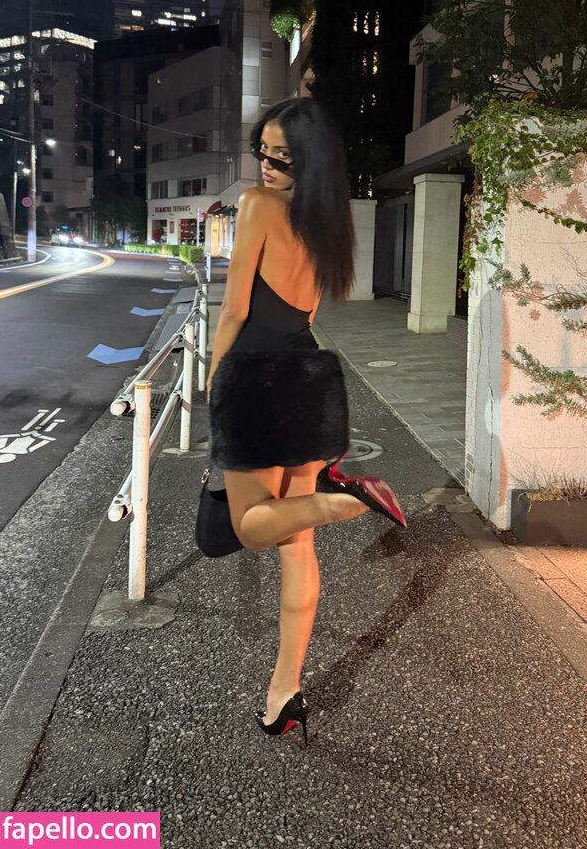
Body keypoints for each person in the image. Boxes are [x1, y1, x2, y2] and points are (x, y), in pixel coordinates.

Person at [207, 98, 406, 745]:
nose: (266, 166)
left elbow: (235, 310)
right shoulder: (328, 222)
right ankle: (284, 690)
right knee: (296, 547)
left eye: (282, 157)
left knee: (252, 527)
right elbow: (308, 313)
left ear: (309, 160)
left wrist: (213, 378)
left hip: (256, 377)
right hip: (310, 374)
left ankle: (337, 502)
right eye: (262, 152)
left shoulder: (257, 208)